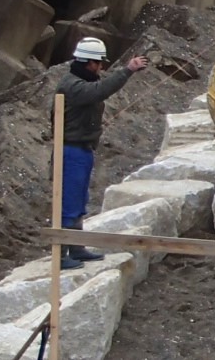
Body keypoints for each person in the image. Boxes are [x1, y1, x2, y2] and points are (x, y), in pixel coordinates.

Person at [56, 37, 149, 269]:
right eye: (98, 63)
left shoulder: (81, 81)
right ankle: (61, 254)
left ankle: (76, 248)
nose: (101, 67)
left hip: (82, 149)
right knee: (68, 202)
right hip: (70, 151)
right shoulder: (73, 86)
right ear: (88, 63)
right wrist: (127, 70)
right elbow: (99, 91)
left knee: (79, 201)